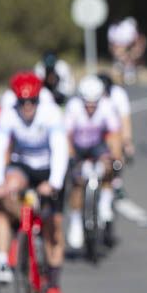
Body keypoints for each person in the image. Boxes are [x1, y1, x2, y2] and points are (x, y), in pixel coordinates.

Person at [0, 72, 70, 293]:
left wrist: (54, 183)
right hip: (23, 166)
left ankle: (53, 285)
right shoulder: (9, 114)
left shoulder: (51, 113)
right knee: (8, 191)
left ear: (38, 100)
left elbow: (60, 149)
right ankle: (20, 232)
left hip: (48, 169)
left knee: (53, 227)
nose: (27, 107)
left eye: (32, 101)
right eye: (22, 102)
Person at [64, 75, 123, 250]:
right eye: (87, 103)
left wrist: (116, 157)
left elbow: (114, 135)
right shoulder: (73, 107)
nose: (90, 107)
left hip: (97, 146)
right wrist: (72, 158)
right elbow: (66, 136)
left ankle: (105, 202)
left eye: (93, 103)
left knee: (108, 167)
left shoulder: (106, 107)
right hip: (78, 147)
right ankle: (75, 221)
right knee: (77, 182)